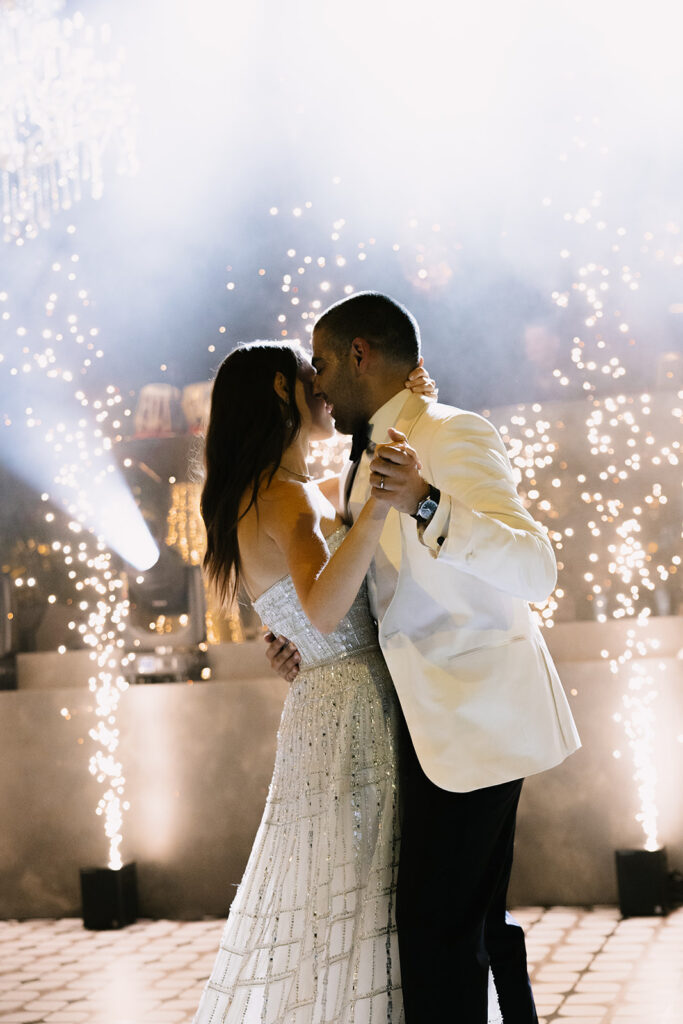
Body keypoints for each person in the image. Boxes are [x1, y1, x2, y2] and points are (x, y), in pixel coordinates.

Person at [265, 292, 582, 1023]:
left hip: (475, 718)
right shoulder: (361, 461)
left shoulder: (450, 434)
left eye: (320, 361)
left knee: (437, 931)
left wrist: (428, 503)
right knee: (459, 927)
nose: (316, 381)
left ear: (358, 354)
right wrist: (304, 646)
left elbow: (536, 568)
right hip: (414, 719)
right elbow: (373, 593)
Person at [192, 340, 437, 1024]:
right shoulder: (284, 496)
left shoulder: (261, 493)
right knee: (366, 889)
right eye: (312, 379)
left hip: (317, 703)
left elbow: (344, 497)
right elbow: (324, 607)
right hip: (353, 705)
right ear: (282, 389)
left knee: (331, 892)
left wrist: (408, 409)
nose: (324, 393)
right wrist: (386, 508)